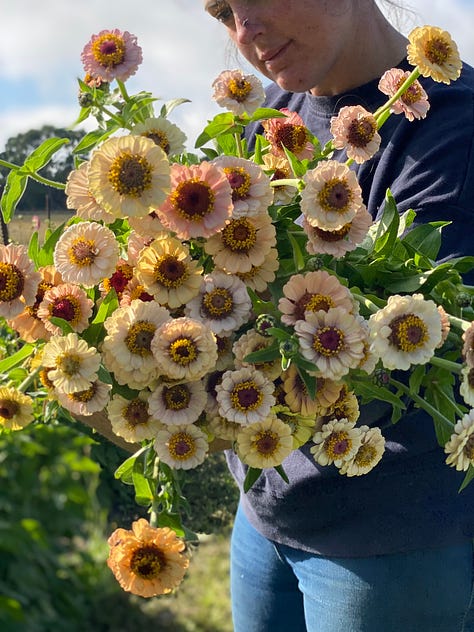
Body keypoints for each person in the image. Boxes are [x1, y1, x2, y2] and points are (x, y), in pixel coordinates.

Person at [202, 1, 474, 631]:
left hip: (393, 540)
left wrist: (196, 398)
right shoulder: (271, 119)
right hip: (268, 507)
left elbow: (409, 349)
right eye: (224, 11)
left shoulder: (453, 124)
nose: (244, 32)